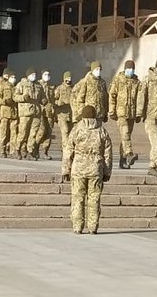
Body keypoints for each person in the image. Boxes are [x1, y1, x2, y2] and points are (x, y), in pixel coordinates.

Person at [62, 104, 113, 235]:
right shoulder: (101, 131)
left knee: (78, 198)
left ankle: (78, 227)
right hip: (96, 168)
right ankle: (93, 227)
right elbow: (108, 153)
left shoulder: (76, 129)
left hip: (78, 168)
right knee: (94, 198)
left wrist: (66, 170)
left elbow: (68, 151)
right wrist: (107, 172)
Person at [108, 60, 141, 169]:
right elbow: (112, 96)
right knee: (125, 134)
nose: (131, 70)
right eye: (129, 68)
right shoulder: (118, 80)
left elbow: (139, 98)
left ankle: (123, 161)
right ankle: (129, 154)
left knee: (125, 137)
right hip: (121, 113)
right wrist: (112, 111)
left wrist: (138, 114)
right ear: (125, 68)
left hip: (131, 113)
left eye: (132, 68)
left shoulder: (136, 82)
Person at [14, 69, 44, 159]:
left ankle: (30, 150)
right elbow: (15, 97)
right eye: (32, 74)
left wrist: (44, 100)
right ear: (28, 75)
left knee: (33, 133)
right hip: (25, 112)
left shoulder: (39, 86)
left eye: (35, 74)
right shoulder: (21, 84)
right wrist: (23, 97)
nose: (33, 76)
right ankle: (17, 149)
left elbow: (43, 96)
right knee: (23, 133)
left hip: (36, 112)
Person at [35, 70, 57, 160]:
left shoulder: (51, 86)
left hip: (49, 112)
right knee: (41, 131)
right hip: (40, 111)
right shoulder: (38, 85)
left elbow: (54, 100)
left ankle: (45, 152)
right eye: (45, 74)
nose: (47, 76)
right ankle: (35, 149)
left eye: (48, 74)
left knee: (49, 132)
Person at [0, 71, 19, 158]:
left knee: (14, 133)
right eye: (12, 77)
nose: (13, 79)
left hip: (14, 113)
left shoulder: (16, 87)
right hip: (5, 112)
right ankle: (1, 150)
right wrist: (5, 101)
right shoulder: (3, 86)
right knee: (3, 132)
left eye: (14, 77)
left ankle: (12, 151)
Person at [55, 71, 74, 152]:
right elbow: (54, 100)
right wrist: (59, 103)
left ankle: (68, 149)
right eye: (67, 78)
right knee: (65, 131)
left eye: (70, 78)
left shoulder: (73, 88)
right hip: (62, 114)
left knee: (70, 133)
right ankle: (65, 149)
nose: (68, 80)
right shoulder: (59, 88)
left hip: (71, 114)